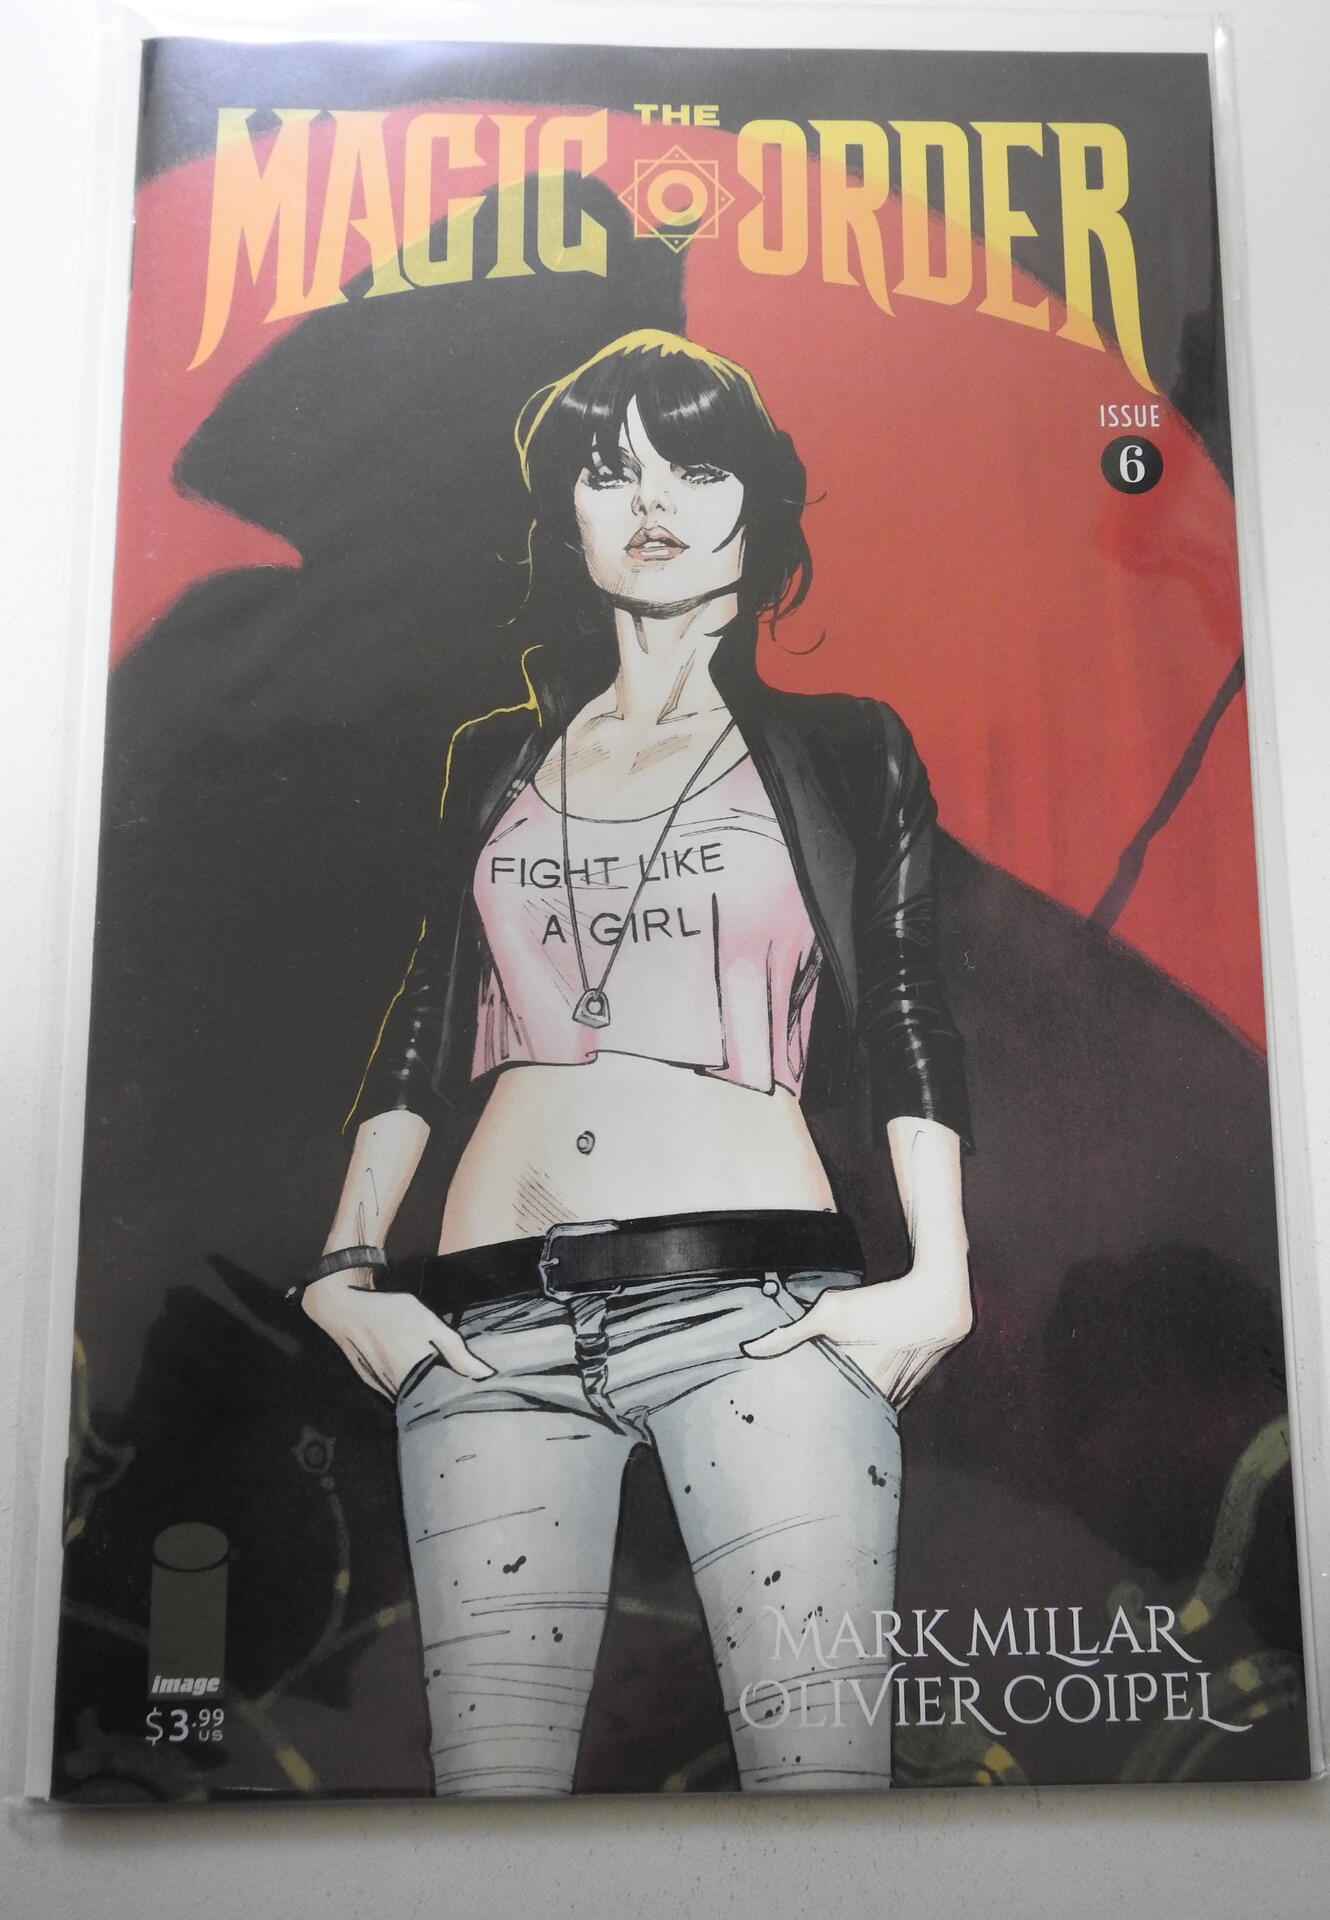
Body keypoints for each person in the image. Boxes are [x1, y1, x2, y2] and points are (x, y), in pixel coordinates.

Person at [300, 329, 975, 1796]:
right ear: (568, 514)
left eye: (694, 464)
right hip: (486, 1334)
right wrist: (346, 1266)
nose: (650, 498)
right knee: (489, 1814)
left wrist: (940, 1275)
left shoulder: (846, 750)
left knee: (823, 1797)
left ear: (759, 502)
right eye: (609, 471)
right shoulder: (496, 755)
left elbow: (907, 1010)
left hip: (758, 1312)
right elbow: (426, 1014)